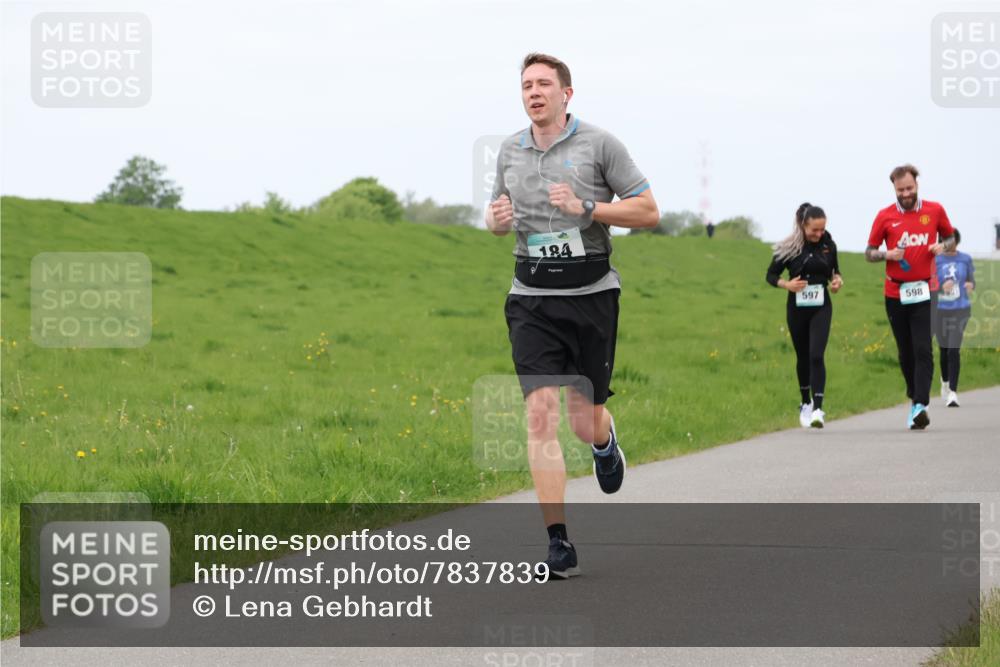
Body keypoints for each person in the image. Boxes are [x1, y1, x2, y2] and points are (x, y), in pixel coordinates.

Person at [486, 53, 659, 579]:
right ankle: (558, 541)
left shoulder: (600, 145)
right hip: (532, 299)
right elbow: (499, 219)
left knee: (584, 423)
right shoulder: (509, 152)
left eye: (543, 84)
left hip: (591, 296)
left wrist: (589, 209)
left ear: (567, 93)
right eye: (526, 85)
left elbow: (648, 211)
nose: (533, 92)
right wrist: (495, 220)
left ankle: (605, 444)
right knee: (540, 416)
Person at [865, 164, 955, 429]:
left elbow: (950, 238)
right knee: (906, 353)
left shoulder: (934, 210)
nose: (906, 193)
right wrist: (886, 254)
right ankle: (914, 396)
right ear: (894, 188)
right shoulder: (884, 216)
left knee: (923, 348)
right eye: (900, 189)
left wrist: (943, 245)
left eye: (909, 188)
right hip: (895, 292)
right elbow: (869, 252)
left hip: (926, 290)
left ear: (917, 185)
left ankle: (920, 405)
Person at [767, 203, 843, 428]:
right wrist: (786, 284)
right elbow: (770, 275)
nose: (819, 234)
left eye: (822, 229)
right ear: (803, 225)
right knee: (803, 356)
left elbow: (834, 273)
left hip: (821, 306)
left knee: (816, 355)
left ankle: (819, 409)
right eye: (814, 230)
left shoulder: (829, 245)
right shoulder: (790, 247)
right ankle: (805, 403)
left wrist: (837, 281)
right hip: (797, 308)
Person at [934, 229, 975, 407]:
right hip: (940, 309)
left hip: (961, 309)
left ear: (957, 241)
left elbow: (972, 281)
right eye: (944, 240)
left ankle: (953, 392)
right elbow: (930, 283)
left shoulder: (965, 259)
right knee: (943, 349)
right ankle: (944, 381)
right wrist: (942, 286)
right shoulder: (935, 260)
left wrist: (970, 285)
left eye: (951, 240)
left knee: (953, 349)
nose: (948, 243)